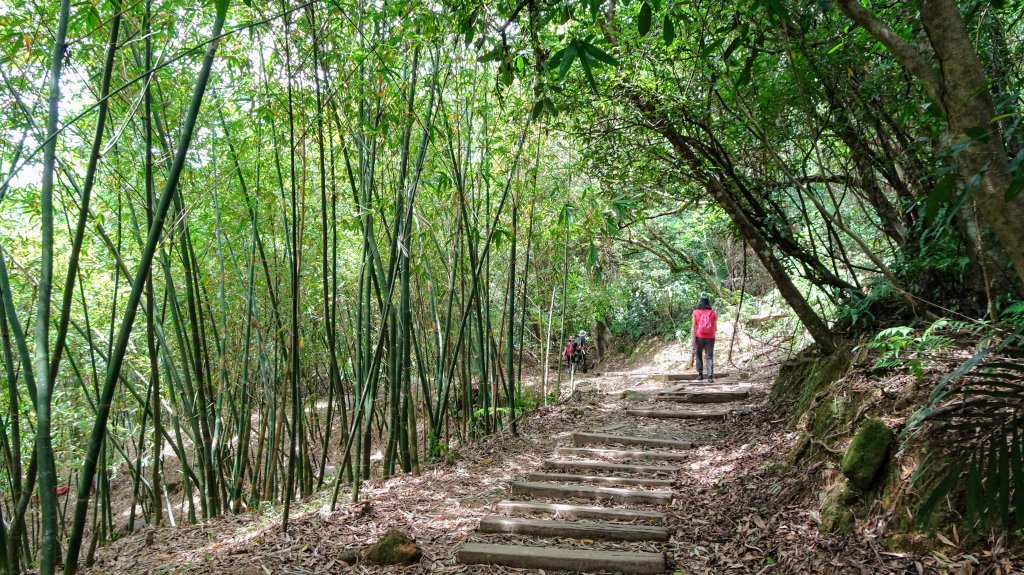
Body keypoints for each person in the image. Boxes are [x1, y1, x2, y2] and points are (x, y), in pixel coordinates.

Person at [691, 294, 717, 382]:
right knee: (709, 356)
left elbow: (693, 326)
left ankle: (700, 375)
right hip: (710, 337)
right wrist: (712, 335)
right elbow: (715, 328)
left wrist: (693, 339)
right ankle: (710, 377)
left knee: (698, 354)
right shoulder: (713, 313)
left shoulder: (695, 312)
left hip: (699, 336)